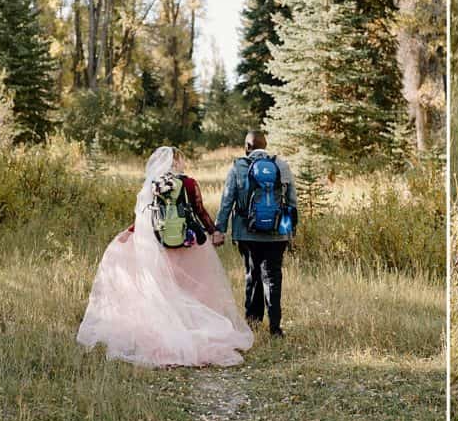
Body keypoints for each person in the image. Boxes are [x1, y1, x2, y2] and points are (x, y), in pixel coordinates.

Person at [77, 146, 253, 367]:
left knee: (167, 291)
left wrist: (129, 233)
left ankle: (170, 333)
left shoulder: (153, 185)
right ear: (177, 162)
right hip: (188, 244)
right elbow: (199, 211)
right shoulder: (188, 183)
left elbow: (146, 215)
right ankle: (193, 329)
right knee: (190, 289)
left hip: (160, 245)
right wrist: (214, 231)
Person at [215, 130, 297, 337]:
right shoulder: (282, 165)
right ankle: (275, 327)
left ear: (247, 147)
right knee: (273, 276)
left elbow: (227, 201)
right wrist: (289, 232)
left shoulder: (239, 167)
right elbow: (291, 201)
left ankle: (252, 323)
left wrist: (219, 229)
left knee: (253, 274)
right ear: (265, 145)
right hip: (277, 234)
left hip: (247, 233)